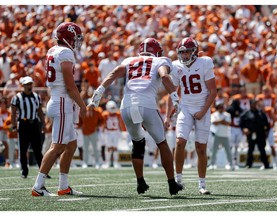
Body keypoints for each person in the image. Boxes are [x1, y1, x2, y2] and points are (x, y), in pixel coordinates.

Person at [89, 38, 183, 195]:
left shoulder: (129, 60)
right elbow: (165, 77)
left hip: (126, 105)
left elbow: (113, 74)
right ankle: (172, 184)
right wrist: (174, 96)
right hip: (147, 104)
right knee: (162, 143)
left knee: (138, 143)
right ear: (157, 51)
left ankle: (140, 182)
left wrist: (99, 92)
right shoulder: (161, 60)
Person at [31, 22, 86, 196]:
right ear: (68, 37)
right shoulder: (65, 52)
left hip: (58, 98)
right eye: (75, 38)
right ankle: (38, 186)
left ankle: (63, 186)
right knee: (58, 146)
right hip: (63, 101)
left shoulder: (53, 50)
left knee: (71, 144)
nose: (77, 42)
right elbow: (70, 86)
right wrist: (82, 105)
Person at [165, 37, 217, 195]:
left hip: (202, 106)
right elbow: (172, 92)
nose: (185, 55)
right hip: (186, 107)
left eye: (187, 52)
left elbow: (213, 91)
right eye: (182, 52)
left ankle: (202, 184)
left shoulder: (205, 62)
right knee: (180, 141)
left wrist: (203, 111)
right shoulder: (175, 65)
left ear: (194, 51)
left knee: (201, 148)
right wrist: (168, 116)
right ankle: (178, 180)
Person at [10, 76, 46, 178]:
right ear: (23, 86)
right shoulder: (17, 98)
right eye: (27, 84)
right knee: (23, 149)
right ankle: (24, 171)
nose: (29, 86)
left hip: (34, 124)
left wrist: (43, 123)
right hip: (23, 124)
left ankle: (43, 170)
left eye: (30, 84)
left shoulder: (36, 96)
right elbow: (13, 113)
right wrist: (13, 125)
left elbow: (40, 111)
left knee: (37, 149)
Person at [239, 99, 270, 169]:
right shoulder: (246, 113)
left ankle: (266, 164)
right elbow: (241, 123)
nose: (254, 105)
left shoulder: (260, 113)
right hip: (250, 133)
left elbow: (266, 124)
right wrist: (244, 129)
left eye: (255, 103)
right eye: (253, 103)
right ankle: (248, 164)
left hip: (260, 133)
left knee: (262, 149)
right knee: (250, 149)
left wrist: (266, 132)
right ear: (250, 104)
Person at [209, 102, 233, 170]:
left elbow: (228, 123)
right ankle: (212, 164)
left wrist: (219, 122)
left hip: (225, 135)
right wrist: (222, 121)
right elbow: (214, 122)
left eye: (222, 107)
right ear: (217, 108)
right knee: (214, 150)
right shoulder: (214, 114)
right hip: (217, 135)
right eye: (220, 107)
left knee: (228, 151)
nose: (221, 109)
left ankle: (230, 164)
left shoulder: (227, 115)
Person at [101, 100, 125, 168]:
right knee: (108, 148)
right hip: (108, 132)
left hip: (116, 131)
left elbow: (120, 123)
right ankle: (107, 163)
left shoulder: (118, 114)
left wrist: (122, 131)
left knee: (115, 148)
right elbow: (103, 124)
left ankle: (116, 162)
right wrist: (103, 132)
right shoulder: (105, 114)